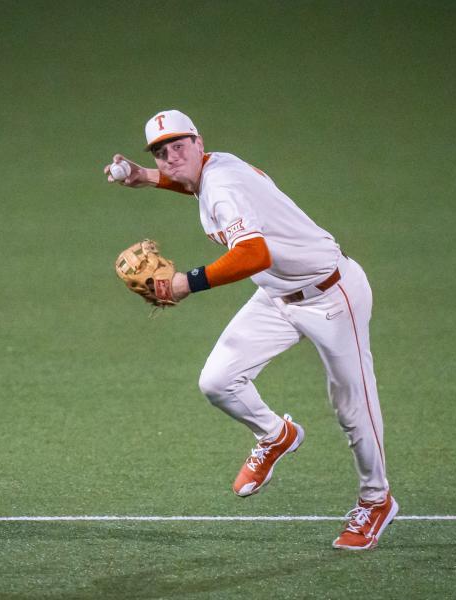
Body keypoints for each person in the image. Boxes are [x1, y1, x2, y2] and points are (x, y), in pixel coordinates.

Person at [104, 110, 397, 550]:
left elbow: (254, 255)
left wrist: (187, 282)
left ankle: (376, 500)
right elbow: (190, 181)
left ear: (199, 142)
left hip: (333, 298)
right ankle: (276, 433)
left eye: (178, 146)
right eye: (162, 153)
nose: (171, 157)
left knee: (352, 407)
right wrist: (144, 176)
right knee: (218, 382)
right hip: (277, 297)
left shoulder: (222, 188)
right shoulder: (217, 166)